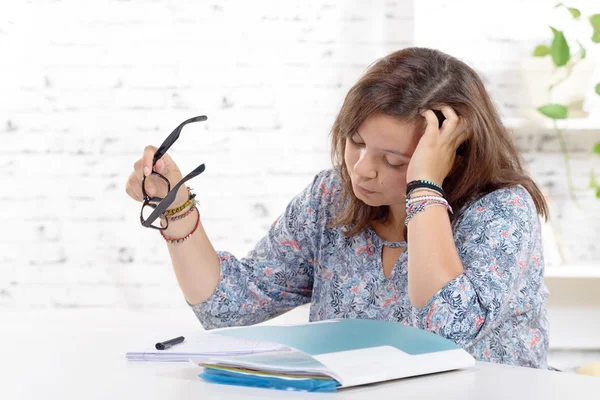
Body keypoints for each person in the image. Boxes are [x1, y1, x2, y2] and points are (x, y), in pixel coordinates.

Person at [125, 47, 550, 369]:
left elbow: (447, 330)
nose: (362, 170)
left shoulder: (502, 210)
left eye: (395, 161)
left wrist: (423, 188)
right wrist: (177, 207)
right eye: (357, 142)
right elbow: (227, 306)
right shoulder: (333, 197)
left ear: (451, 155)